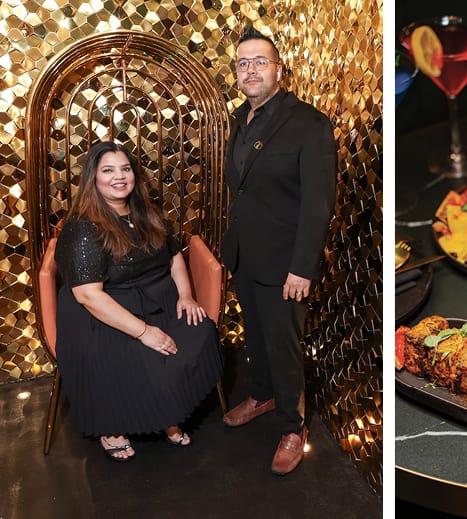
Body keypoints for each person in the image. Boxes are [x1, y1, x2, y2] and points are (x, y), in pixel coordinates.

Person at [54, 141, 224, 462]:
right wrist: (144, 332)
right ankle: (113, 424)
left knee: (199, 332)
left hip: (157, 299)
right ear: (94, 178)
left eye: (125, 169)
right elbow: (88, 295)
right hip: (105, 313)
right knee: (148, 358)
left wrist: (186, 295)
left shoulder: (145, 212)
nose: (119, 177)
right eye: (108, 170)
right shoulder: (84, 227)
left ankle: (166, 410)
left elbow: (173, 256)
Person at [220, 27, 336, 476]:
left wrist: (302, 268)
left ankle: (293, 427)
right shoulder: (237, 119)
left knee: (284, 345)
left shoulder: (310, 123)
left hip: (287, 263)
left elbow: (318, 204)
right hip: (245, 255)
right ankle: (263, 395)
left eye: (260, 62)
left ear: (279, 70)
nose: (251, 70)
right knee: (256, 335)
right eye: (243, 63)